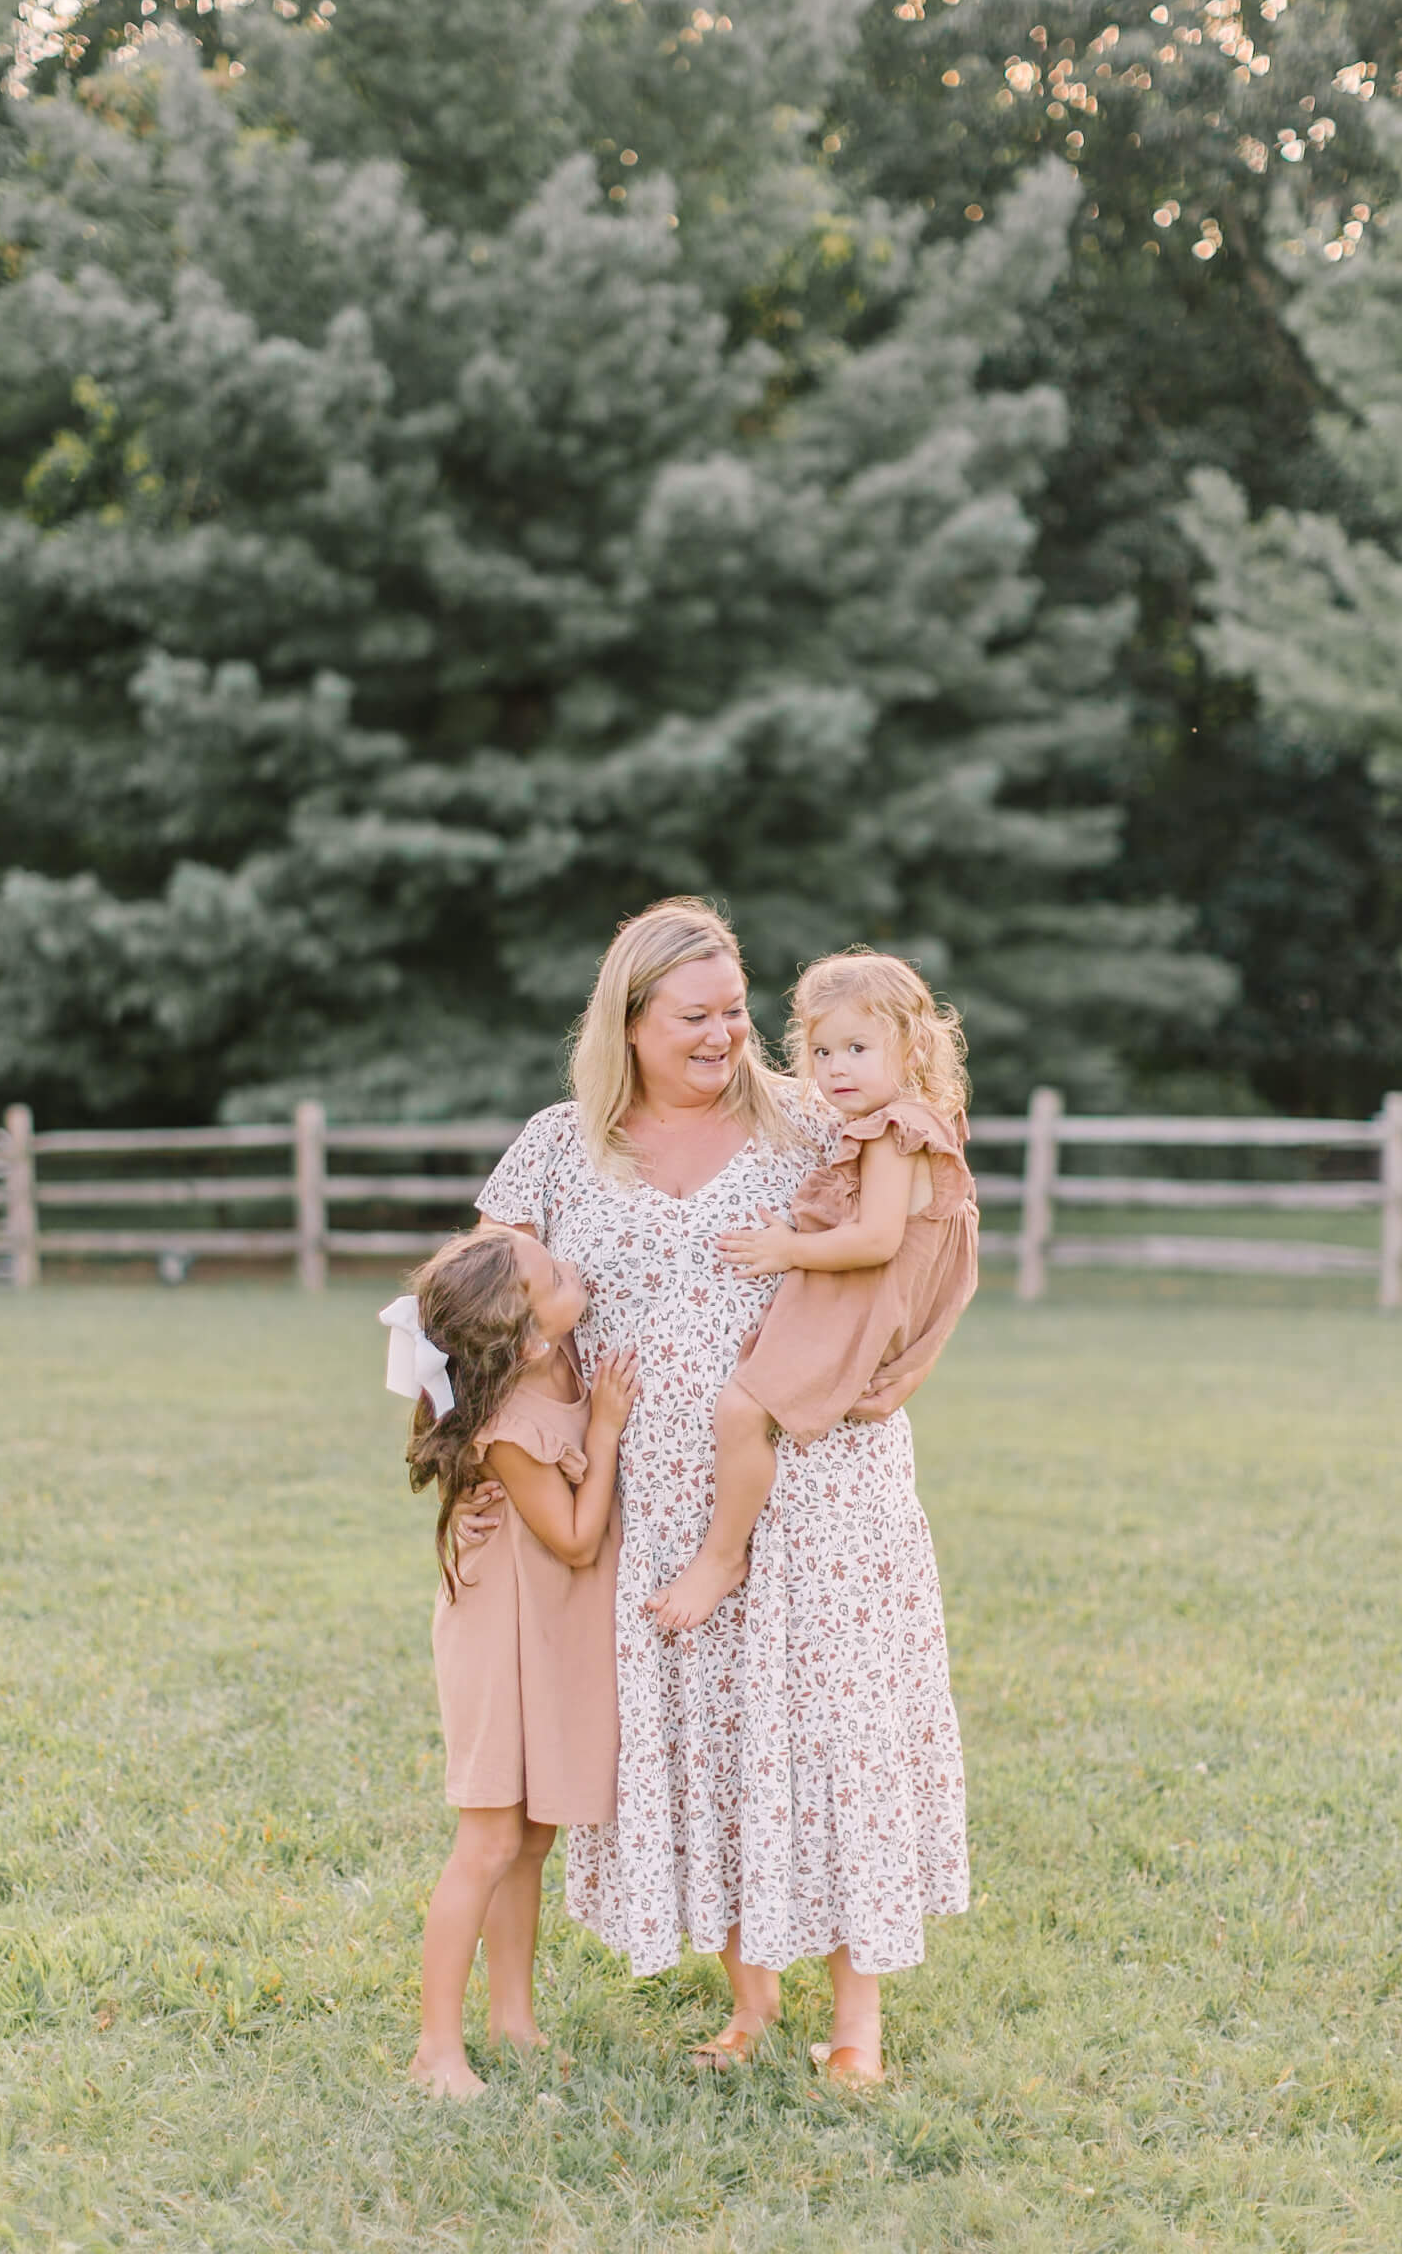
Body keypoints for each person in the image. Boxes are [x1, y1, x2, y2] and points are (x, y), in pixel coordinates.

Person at [474, 899, 968, 2086]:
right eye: (693, 1016)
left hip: (819, 1487)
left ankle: (857, 2025)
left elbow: (934, 1231)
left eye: (735, 1012)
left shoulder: (819, 1116)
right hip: (655, 1505)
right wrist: (494, 1435)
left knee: (828, 1733)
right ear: (631, 1021)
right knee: (719, 1743)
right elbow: (472, 1292)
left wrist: (914, 1358)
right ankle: (749, 2007)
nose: (722, 1035)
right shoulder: (559, 1144)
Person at [645, 949, 979, 1634]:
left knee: (740, 1410)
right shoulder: (898, 1123)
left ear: (913, 1047)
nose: (835, 1069)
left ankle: (720, 1556)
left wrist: (785, 1250)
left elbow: (877, 1240)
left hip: (852, 1306)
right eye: (822, 1051)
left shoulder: (894, 1132)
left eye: (857, 1048)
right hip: (845, 1300)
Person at [382, 1229, 638, 2099]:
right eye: (555, 1273)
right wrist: (603, 1433)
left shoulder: (559, 1356)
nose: (576, 1268)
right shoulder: (513, 1428)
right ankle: (435, 2050)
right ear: (525, 1335)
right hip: (499, 1636)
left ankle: (513, 2020)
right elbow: (571, 1539)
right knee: (489, 1838)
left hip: (546, 1632)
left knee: (531, 1835)